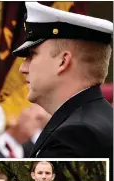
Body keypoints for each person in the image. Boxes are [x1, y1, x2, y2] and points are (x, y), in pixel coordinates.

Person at [12, 2, 113, 158]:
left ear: (63, 61)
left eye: (32, 55)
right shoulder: (103, 120)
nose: (23, 68)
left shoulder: (74, 136)